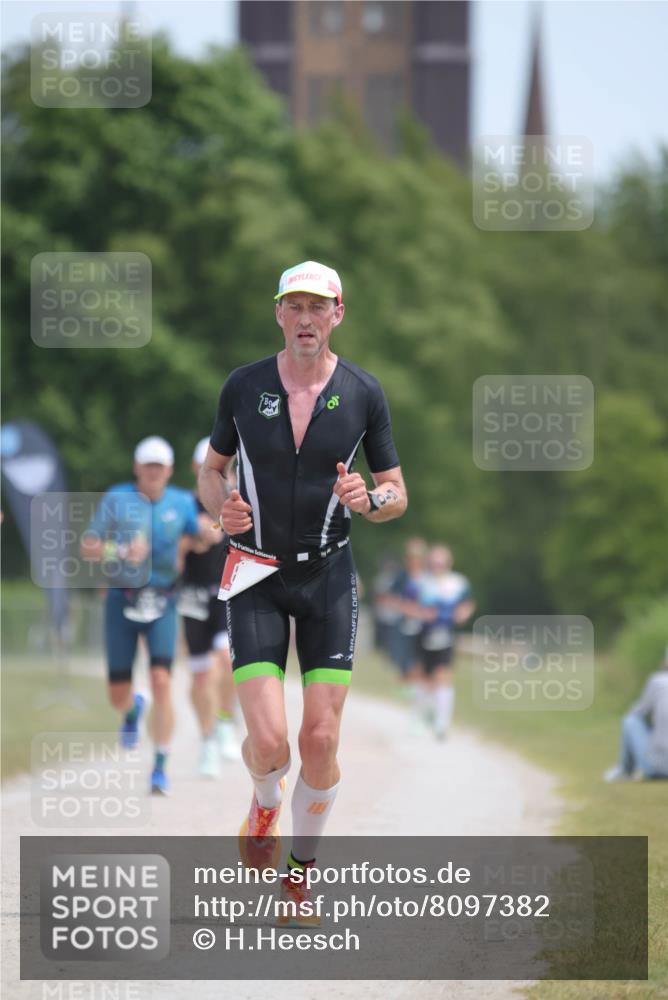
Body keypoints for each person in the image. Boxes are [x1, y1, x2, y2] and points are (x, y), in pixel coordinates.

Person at [198, 260, 407, 924]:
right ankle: (264, 804)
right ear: (280, 314)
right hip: (255, 573)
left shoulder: (364, 392)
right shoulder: (244, 385)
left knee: (319, 738)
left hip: (328, 574)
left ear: (338, 314)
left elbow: (397, 494)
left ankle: (298, 875)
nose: (307, 319)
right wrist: (220, 508)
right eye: (296, 306)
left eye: (320, 307)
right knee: (271, 743)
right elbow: (212, 469)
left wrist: (369, 499)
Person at [81, 436, 202, 795]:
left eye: (159, 466)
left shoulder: (181, 502)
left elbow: (199, 535)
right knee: (117, 694)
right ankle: (132, 710)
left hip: (163, 601)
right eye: (147, 465)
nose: (153, 472)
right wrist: (118, 549)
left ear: (169, 470)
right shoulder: (118, 498)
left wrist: (197, 540)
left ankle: (160, 767)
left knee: (162, 681)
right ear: (137, 468)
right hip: (121, 599)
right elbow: (88, 547)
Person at [179, 437, 241, 778]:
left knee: (227, 661)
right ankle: (207, 742)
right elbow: (170, 553)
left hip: (228, 591)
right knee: (201, 674)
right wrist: (194, 539)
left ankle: (225, 722)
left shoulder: (239, 500)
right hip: (191, 595)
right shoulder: (184, 504)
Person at [402, 545, 475, 740]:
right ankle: (418, 718)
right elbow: (406, 605)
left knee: (443, 677)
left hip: (445, 634)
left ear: (448, 563)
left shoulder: (458, 582)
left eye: (441, 563)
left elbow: (467, 604)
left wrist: (462, 614)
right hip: (422, 634)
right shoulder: (419, 582)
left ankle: (442, 723)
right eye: (434, 563)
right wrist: (421, 613)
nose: (437, 567)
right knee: (422, 679)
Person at [604, 647, 668, 782]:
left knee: (630, 720)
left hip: (657, 768)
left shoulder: (658, 681)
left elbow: (636, 712)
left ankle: (625, 771)